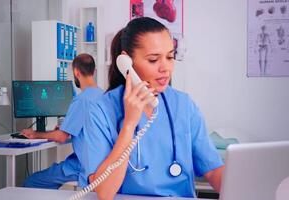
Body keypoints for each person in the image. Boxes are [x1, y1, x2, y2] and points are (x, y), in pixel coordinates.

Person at [74, 17, 224, 199]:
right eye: (153, 60)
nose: (166, 68)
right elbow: (104, 191)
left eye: (170, 57)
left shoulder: (184, 105)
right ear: (126, 62)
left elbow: (214, 171)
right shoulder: (101, 111)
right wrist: (129, 124)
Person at [22, 53, 104, 189]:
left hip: (84, 166)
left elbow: (60, 137)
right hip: (102, 162)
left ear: (76, 72)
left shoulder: (81, 100)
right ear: (94, 71)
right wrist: (64, 129)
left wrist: (35, 134)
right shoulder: (104, 95)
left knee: (32, 181)